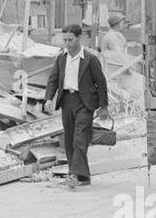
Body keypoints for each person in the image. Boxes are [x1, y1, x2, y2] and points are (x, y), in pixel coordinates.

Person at [43, 22, 110, 189]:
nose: (67, 43)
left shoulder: (90, 59)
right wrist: (48, 98)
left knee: (80, 138)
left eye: (70, 39)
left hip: (84, 103)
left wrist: (104, 106)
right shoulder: (61, 58)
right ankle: (83, 176)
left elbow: (101, 83)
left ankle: (73, 174)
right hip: (66, 101)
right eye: (64, 39)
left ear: (80, 38)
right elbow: (53, 79)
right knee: (70, 139)